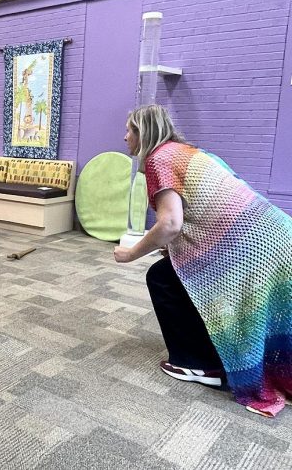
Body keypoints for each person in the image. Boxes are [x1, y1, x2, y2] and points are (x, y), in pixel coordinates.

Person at [113, 104, 292, 418]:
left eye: (129, 130)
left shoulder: (158, 159)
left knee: (162, 277)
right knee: (176, 275)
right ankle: (214, 357)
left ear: (143, 133)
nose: (124, 136)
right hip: (275, 231)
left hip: (250, 244)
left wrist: (130, 254)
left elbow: (170, 224)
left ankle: (195, 363)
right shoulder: (186, 151)